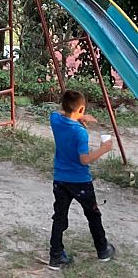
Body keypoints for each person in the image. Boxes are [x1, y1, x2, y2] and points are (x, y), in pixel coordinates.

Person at [47, 90, 116, 270]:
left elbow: (59, 112)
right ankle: (102, 250)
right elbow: (84, 159)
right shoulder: (80, 133)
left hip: (60, 179)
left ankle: (55, 256)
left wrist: (78, 115)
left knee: (59, 217)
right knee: (93, 215)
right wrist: (104, 149)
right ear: (82, 108)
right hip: (80, 181)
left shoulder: (55, 120)